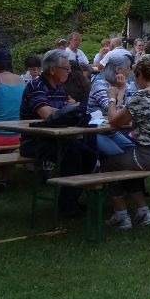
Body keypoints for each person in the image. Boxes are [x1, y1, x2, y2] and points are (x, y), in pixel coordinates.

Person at [100, 56, 150, 229]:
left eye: (136, 76)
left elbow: (114, 121)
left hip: (149, 156)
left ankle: (121, 214)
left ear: (141, 74)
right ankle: (143, 211)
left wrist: (112, 98)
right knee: (128, 163)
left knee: (109, 162)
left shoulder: (141, 96)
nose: (135, 81)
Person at [19, 49, 97, 217]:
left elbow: (64, 111)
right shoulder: (36, 86)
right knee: (73, 155)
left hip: (56, 139)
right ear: (53, 70)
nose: (69, 72)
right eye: (66, 69)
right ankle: (67, 205)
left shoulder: (59, 88)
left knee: (89, 154)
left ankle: (69, 199)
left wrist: (71, 109)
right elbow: (46, 113)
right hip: (34, 142)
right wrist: (71, 109)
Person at [86, 53, 137, 156]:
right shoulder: (100, 85)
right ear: (118, 70)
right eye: (128, 68)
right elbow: (115, 113)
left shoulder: (124, 85)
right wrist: (121, 91)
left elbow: (129, 108)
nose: (130, 71)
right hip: (96, 132)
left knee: (133, 151)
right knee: (117, 156)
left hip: (112, 131)